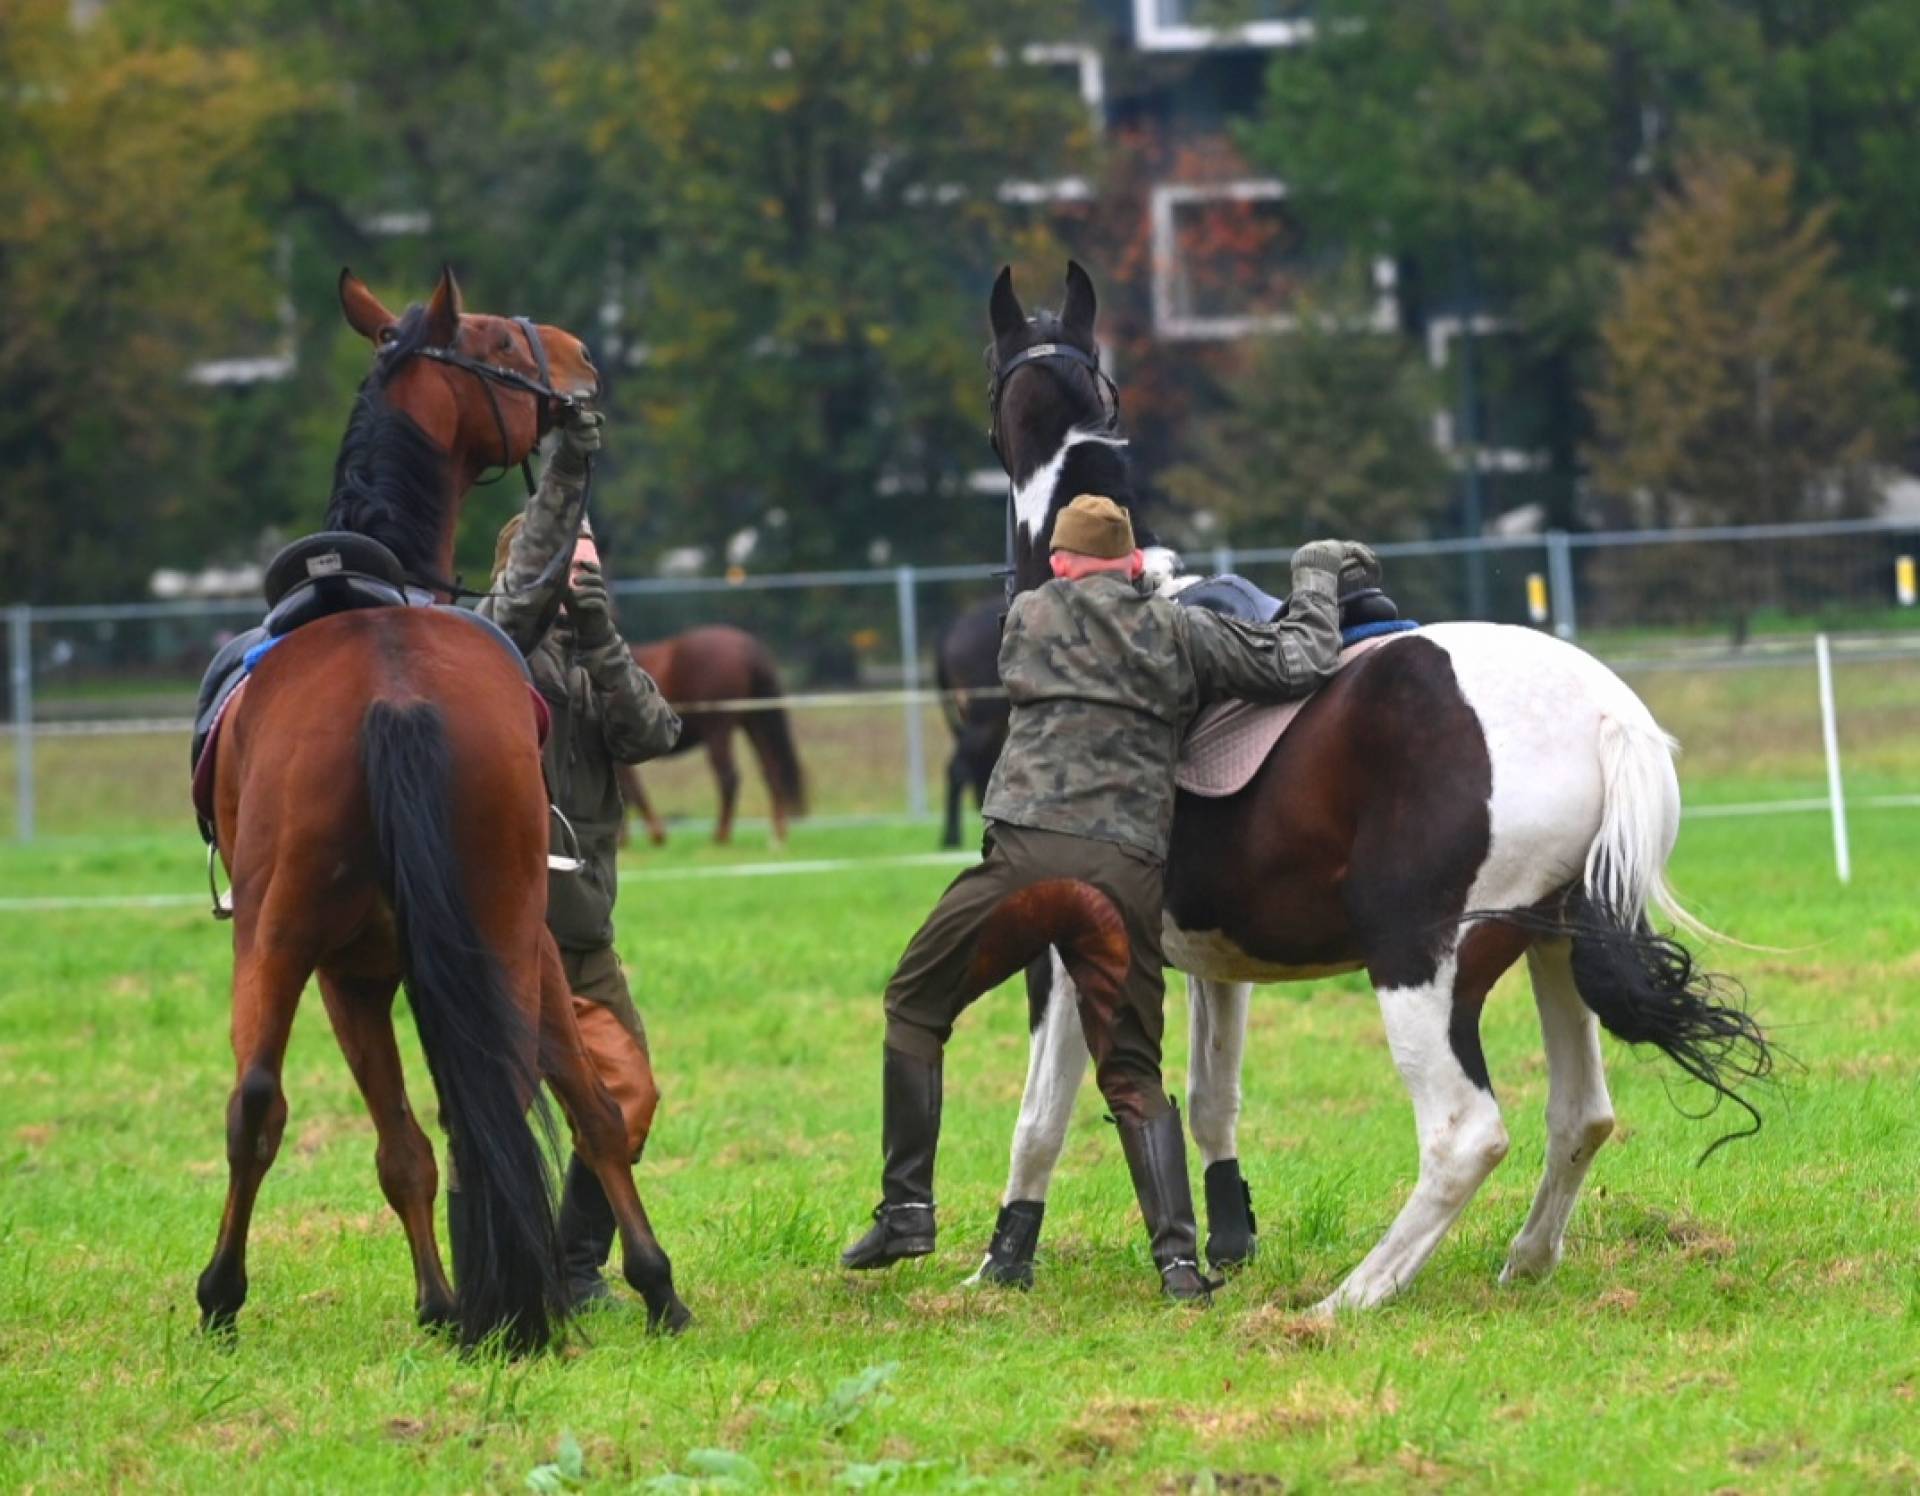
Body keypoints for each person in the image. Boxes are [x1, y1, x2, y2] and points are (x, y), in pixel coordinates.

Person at [841, 495, 1377, 1302]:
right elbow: (1297, 661)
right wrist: (1313, 575)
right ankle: (1178, 1267)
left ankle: (907, 1209)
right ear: (1134, 564)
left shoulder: (1024, 616)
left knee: (915, 1006)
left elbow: (1066, 608)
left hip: (1024, 858)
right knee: (1132, 1072)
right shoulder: (1179, 631)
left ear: (1059, 565)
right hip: (1124, 874)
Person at [477, 407, 684, 1309]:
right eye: (568, 558)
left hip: (585, 937)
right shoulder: (486, 652)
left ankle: (572, 1267)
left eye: (591, 561)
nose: (582, 572)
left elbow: (654, 733)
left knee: (627, 1098)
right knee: (490, 1117)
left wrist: (599, 637)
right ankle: (495, 1273)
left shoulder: (600, 659)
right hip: (502, 938)